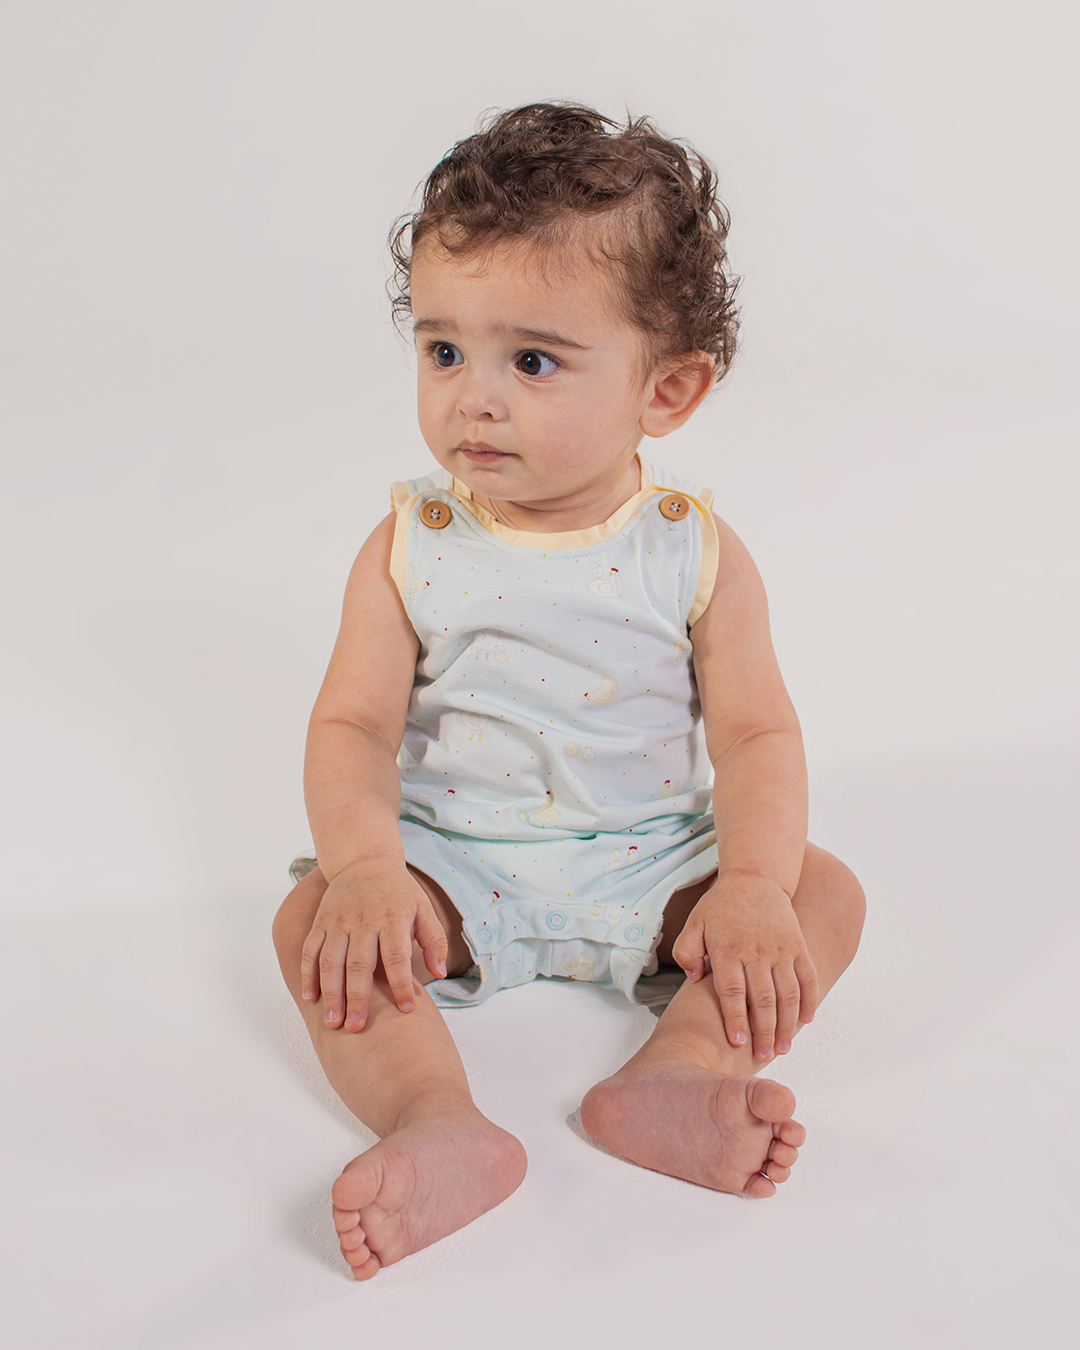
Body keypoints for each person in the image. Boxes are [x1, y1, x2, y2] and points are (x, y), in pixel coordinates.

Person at [272, 102, 865, 1281]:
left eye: (532, 361)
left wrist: (749, 885)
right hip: (454, 866)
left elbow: (755, 733)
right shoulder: (412, 543)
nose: (473, 398)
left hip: (653, 863)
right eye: (444, 352)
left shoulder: (691, 550)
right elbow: (352, 725)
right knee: (312, 922)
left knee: (824, 893)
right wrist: (371, 869)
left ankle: (680, 1073)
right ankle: (434, 1117)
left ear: (667, 392)